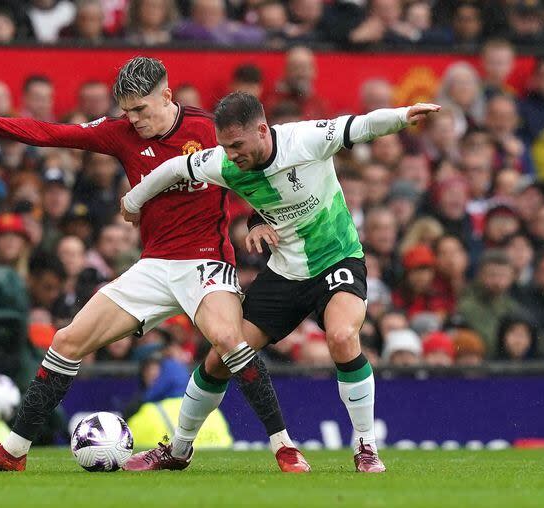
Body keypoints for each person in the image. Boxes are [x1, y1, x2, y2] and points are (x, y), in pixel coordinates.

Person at [0, 57, 300, 472]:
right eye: (126, 111)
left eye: (141, 109)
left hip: (206, 262)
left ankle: (284, 447)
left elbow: (255, 169)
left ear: (166, 94)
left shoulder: (207, 130)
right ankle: (13, 452)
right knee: (66, 341)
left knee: (230, 342)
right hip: (153, 266)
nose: (134, 120)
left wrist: (256, 218)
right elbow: (53, 133)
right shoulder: (121, 132)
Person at [122, 90, 440, 472]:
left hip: (336, 259)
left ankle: (366, 446)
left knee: (341, 337)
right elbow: (174, 169)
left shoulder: (305, 140)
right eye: (225, 145)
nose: (232, 154)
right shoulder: (223, 162)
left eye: (237, 144)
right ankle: (178, 449)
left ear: (261, 130)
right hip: (286, 272)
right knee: (223, 356)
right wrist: (133, 201)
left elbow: (361, 125)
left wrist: (404, 114)